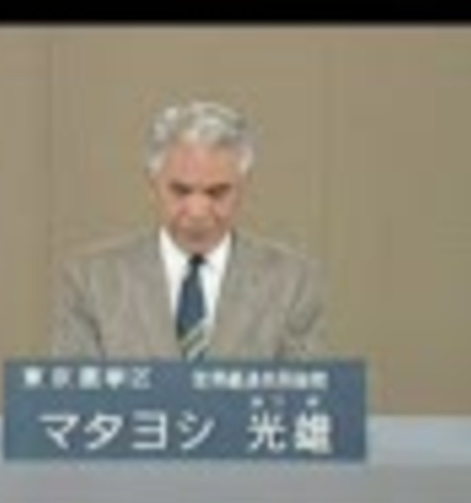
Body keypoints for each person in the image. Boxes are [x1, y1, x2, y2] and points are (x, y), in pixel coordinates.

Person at [51, 100, 326, 361]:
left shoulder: (292, 282)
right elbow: (72, 390)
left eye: (217, 192)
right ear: (153, 181)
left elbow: (307, 390)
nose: (197, 210)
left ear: (243, 185)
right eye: (180, 191)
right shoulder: (93, 280)